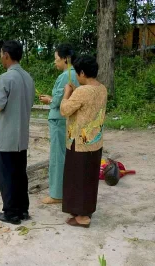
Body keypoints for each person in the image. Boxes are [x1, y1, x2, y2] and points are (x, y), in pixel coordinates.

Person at [0, 40, 35, 225]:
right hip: (21, 135)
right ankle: (22, 210)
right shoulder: (28, 78)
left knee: (7, 175)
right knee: (20, 174)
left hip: (7, 135)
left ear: (6, 55)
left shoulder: (5, 78)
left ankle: (10, 213)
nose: (0, 58)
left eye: (1, 54)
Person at [60, 55, 107, 228]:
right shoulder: (102, 88)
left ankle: (82, 217)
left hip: (79, 141)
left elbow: (65, 110)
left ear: (81, 73)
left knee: (77, 178)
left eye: (77, 74)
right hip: (95, 141)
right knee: (89, 178)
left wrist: (67, 93)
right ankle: (84, 210)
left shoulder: (82, 91)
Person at [39, 44, 79, 204]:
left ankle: (56, 194)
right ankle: (66, 190)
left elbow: (58, 100)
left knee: (57, 155)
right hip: (68, 120)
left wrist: (50, 99)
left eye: (56, 59)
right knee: (67, 154)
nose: (55, 62)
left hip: (59, 119)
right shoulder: (77, 74)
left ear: (65, 59)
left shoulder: (66, 75)